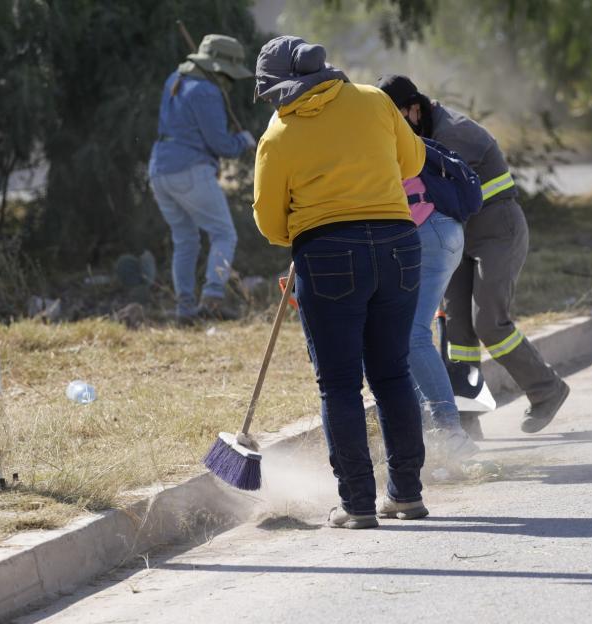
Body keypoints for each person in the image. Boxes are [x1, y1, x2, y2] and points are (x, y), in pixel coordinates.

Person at [252, 36, 428, 529]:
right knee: (393, 373)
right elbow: (412, 163)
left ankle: (356, 504)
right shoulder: (374, 100)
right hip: (399, 246)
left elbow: (269, 224)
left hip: (328, 256)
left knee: (340, 385)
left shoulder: (279, 134)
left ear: (282, 86)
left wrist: (308, 234)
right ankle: (407, 495)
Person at [377, 75, 571, 434]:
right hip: (460, 236)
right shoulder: (421, 131)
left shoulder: (452, 136)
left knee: (489, 323)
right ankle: (466, 417)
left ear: (414, 109)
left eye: (396, 116)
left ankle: (547, 389)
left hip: (498, 232)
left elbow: (433, 188)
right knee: (457, 329)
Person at [148, 34, 257, 323]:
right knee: (224, 234)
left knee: (185, 240)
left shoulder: (175, 78)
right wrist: (243, 141)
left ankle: (185, 310)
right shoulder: (207, 90)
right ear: (219, 67)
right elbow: (220, 145)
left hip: (160, 169)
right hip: (190, 169)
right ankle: (212, 300)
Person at [402, 168, 477, 461]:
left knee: (410, 335)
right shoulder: (381, 125)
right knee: (398, 335)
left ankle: (449, 434)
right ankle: (424, 436)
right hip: (439, 228)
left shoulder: (360, 132)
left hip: (423, 230)